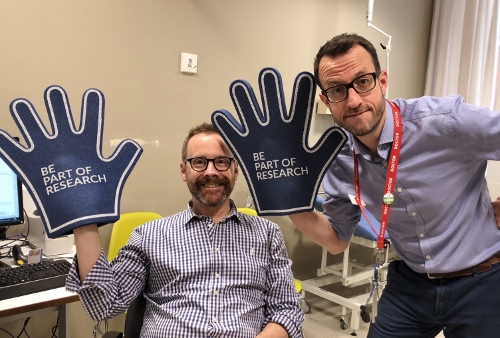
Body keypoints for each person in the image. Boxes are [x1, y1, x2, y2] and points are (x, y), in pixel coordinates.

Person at [288, 33, 500, 338]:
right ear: (326, 99)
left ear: (382, 81)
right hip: (411, 282)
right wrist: (289, 204)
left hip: (483, 278)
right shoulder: (338, 159)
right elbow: (336, 240)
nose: (353, 100)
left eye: (363, 81)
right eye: (337, 90)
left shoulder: (445, 122)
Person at [65, 122, 304, 338]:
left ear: (235, 170)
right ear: (183, 171)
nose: (211, 171)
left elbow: (287, 309)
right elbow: (104, 304)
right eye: (199, 162)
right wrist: (84, 217)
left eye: (221, 161)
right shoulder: (149, 235)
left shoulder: (267, 234)